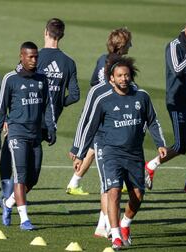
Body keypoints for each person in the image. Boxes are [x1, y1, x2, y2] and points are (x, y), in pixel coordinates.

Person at [73, 54, 167, 249]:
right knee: (113, 192)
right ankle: (115, 235)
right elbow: (90, 128)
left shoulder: (142, 96)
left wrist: (160, 143)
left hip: (135, 154)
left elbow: (153, 121)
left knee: (138, 196)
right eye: (120, 76)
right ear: (111, 79)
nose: (124, 78)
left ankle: (125, 224)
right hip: (111, 153)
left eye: (126, 75)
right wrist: (80, 154)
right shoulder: (104, 99)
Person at [0, 18, 80, 207]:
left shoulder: (33, 56)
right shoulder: (69, 63)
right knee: (31, 165)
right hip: (47, 122)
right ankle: (17, 198)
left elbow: (16, 79)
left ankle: (6, 197)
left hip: (24, 116)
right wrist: (57, 104)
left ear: (45, 32)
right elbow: (75, 95)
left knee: (11, 155)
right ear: (61, 35)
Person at [0, 41, 56, 230]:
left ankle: (8, 203)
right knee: (20, 176)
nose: (34, 60)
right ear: (21, 56)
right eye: (30, 56)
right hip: (17, 135)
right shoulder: (10, 79)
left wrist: (51, 127)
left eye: (36, 56)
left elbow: (48, 106)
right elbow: (1, 109)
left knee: (33, 178)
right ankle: (24, 219)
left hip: (35, 135)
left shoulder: (42, 79)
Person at [145, 18, 186, 193]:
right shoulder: (174, 46)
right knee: (181, 145)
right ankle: (151, 165)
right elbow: (178, 69)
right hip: (177, 101)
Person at [67, 27, 132, 196]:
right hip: (108, 110)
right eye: (129, 43)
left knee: (95, 147)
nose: (131, 46)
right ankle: (75, 182)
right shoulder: (121, 66)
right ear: (122, 45)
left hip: (97, 105)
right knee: (104, 145)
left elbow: (93, 81)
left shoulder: (102, 59)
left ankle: (76, 181)